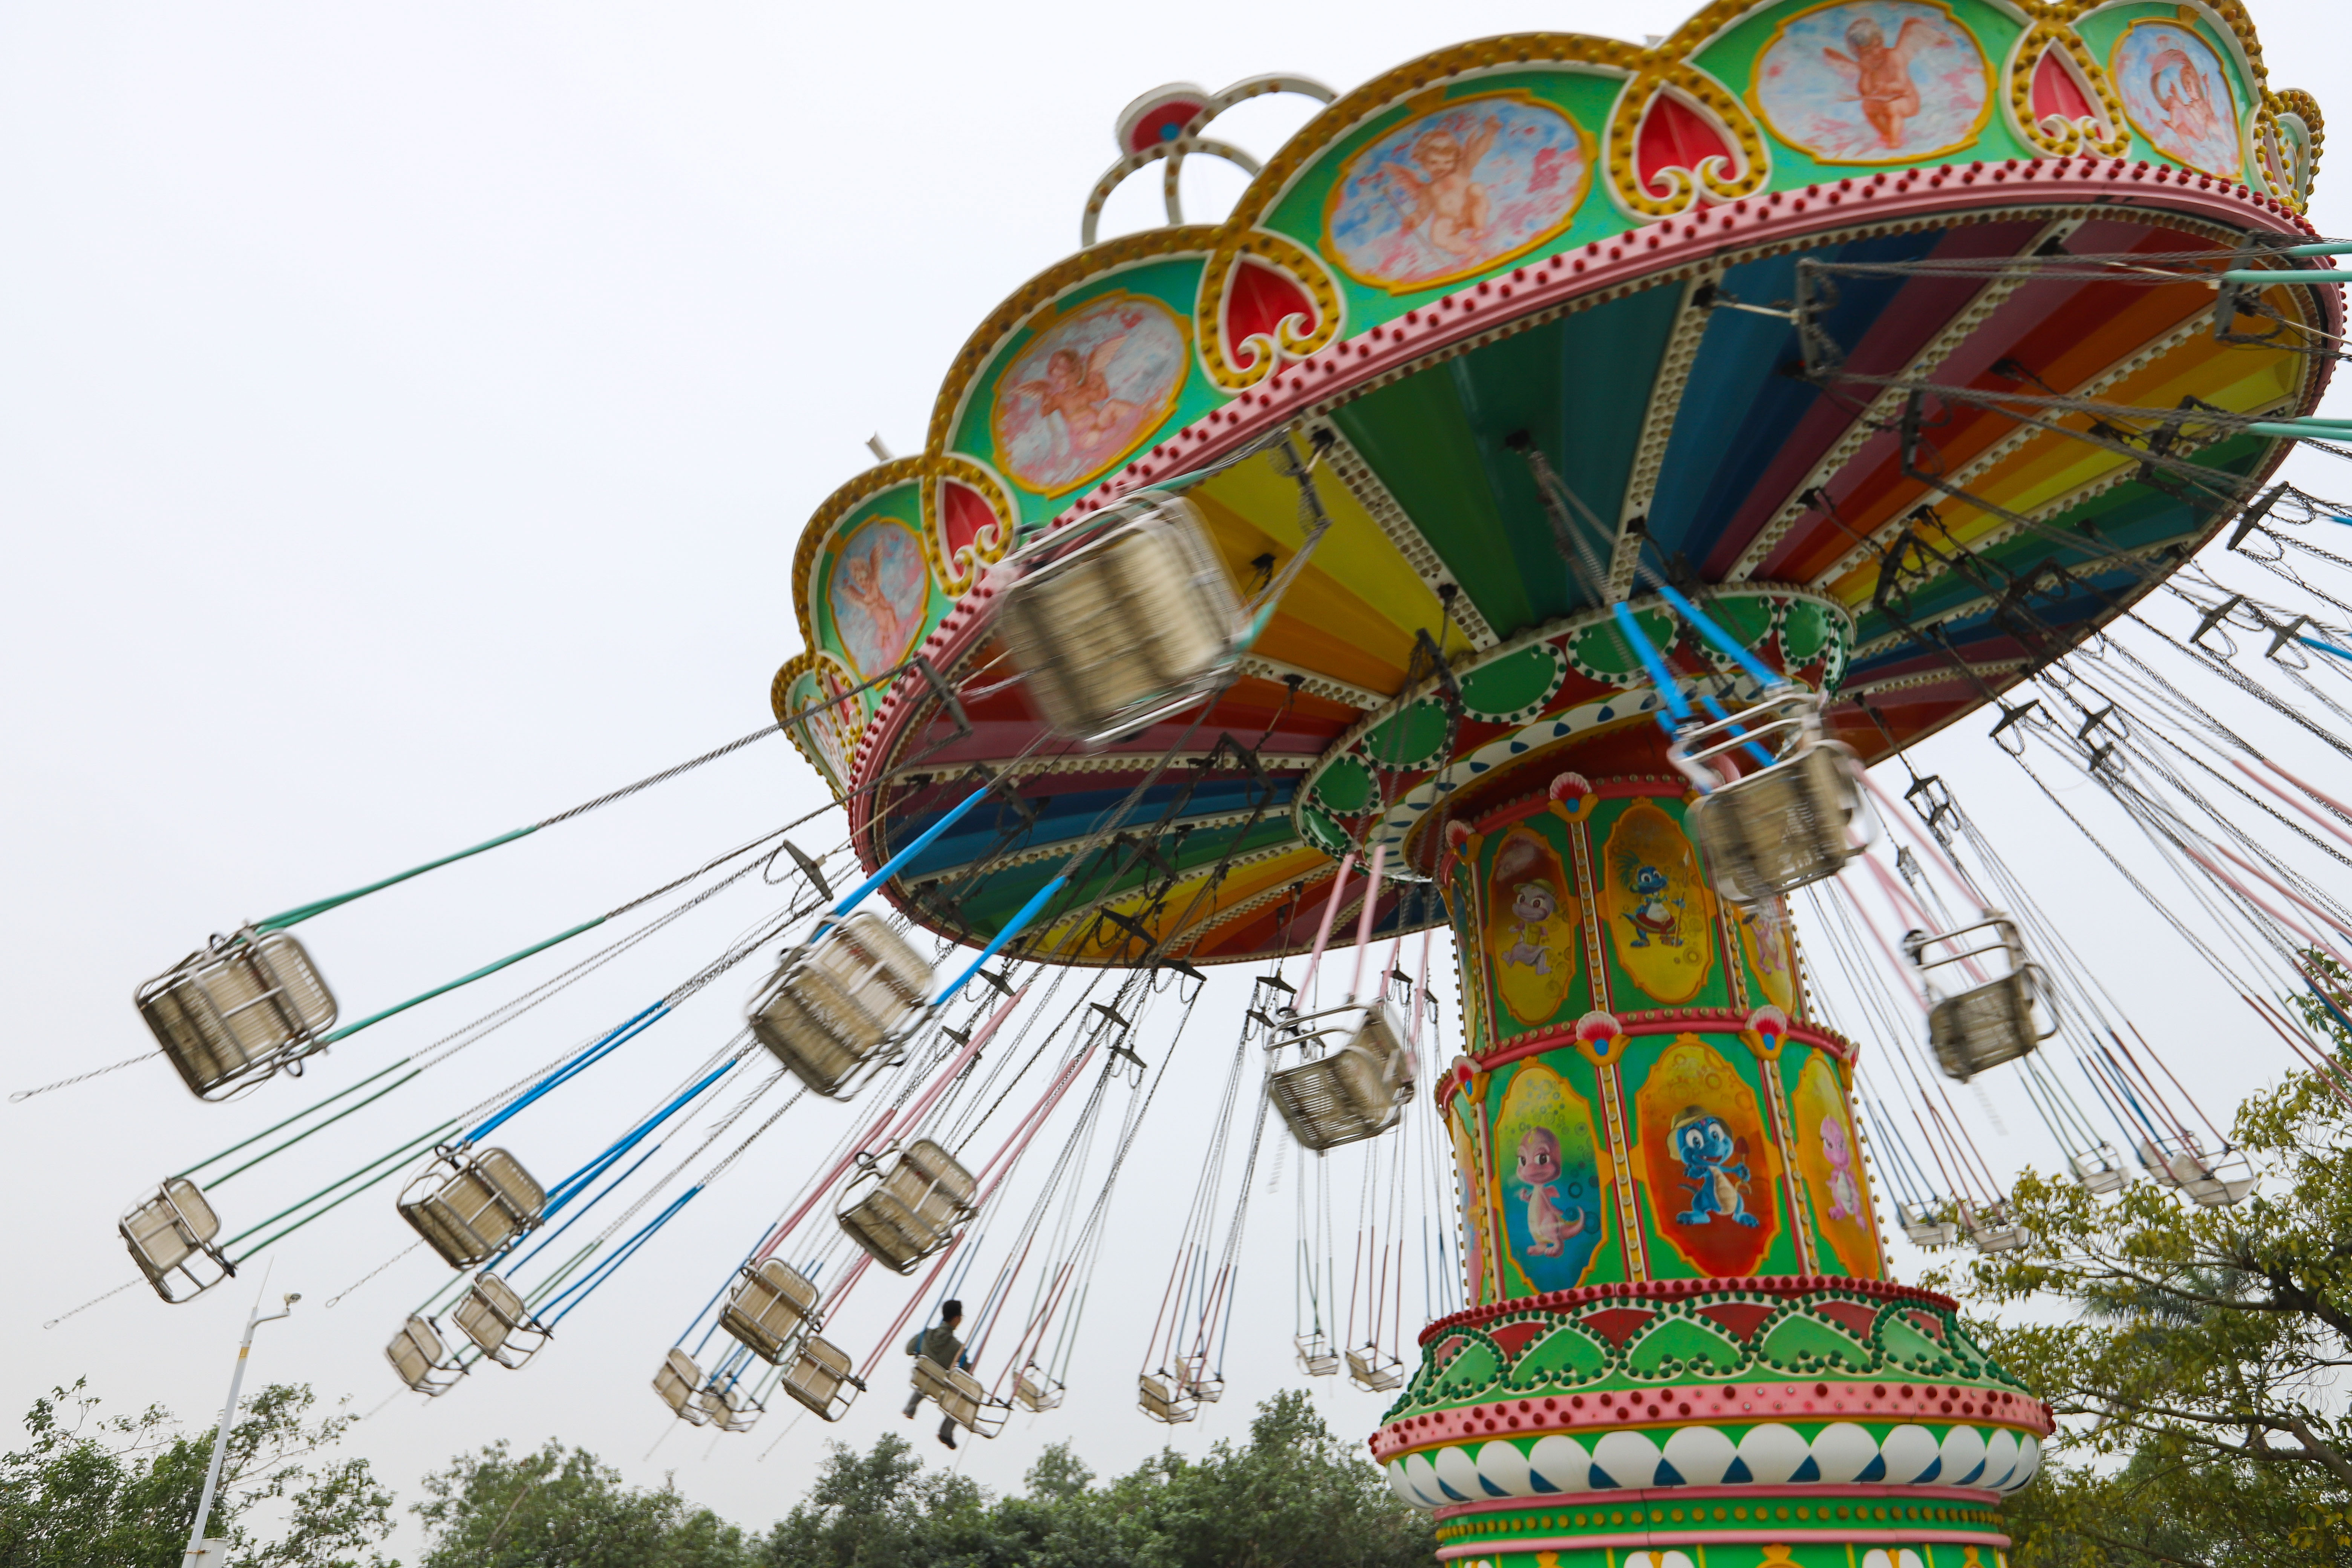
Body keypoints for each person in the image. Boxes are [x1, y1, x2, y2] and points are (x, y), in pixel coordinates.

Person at [902, 1299, 971, 1449]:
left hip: (921, 1379)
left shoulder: (925, 1335)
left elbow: (908, 1349)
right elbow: (967, 1372)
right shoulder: (957, 1348)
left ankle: (910, 1407)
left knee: (926, 1376)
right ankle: (946, 1431)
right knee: (963, 1394)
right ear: (957, 1319)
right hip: (940, 1387)